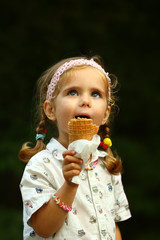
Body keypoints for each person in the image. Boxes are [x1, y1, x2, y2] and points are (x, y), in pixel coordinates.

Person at [19, 56, 131, 240]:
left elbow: (112, 226)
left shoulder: (107, 166)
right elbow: (43, 228)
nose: (85, 101)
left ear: (105, 114)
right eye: (73, 92)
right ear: (50, 110)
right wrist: (69, 185)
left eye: (96, 94)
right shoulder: (40, 165)